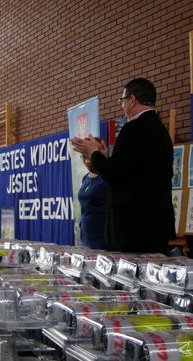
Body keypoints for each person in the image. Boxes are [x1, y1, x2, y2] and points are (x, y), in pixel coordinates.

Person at [72, 78, 176, 253]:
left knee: (134, 271)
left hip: (136, 227)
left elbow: (115, 174)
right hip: (156, 224)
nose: (122, 106)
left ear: (132, 100)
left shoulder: (133, 128)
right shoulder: (159, 129)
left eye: (122, 101)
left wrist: (94, 154)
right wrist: (103, 157)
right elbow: (133, 170)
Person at [78, 137, 108, 249]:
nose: (87, 161)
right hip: (87, 238)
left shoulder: (107, 177)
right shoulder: (85, 178)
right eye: (84, 157)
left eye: (89, 156)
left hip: (104, 240)